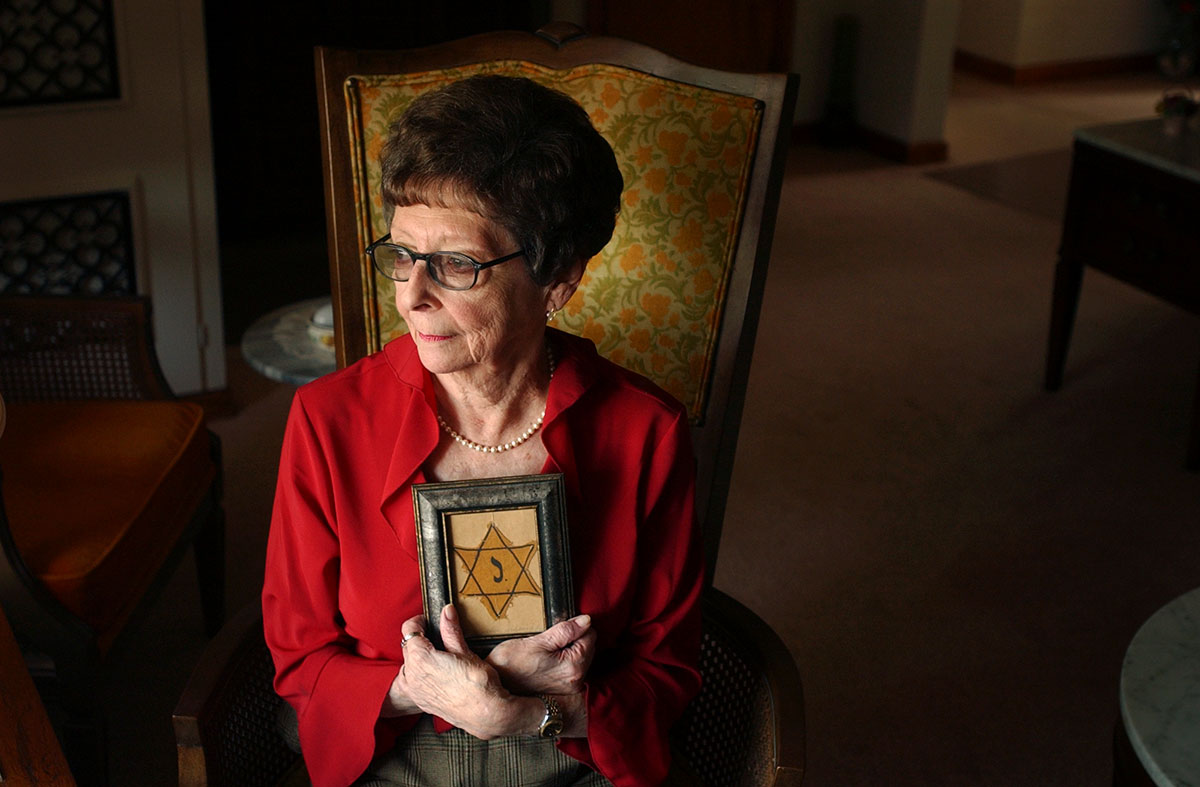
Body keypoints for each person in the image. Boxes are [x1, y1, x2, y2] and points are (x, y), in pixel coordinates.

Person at [262, 74, 703, 787]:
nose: (410, 295)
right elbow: (298, 662)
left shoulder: (646, 429)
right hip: (390, 752)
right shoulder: (328, 419)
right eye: (402, 254)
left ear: (557, 278)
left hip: (573, 754)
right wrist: (424, 688)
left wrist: (525, 714)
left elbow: (669, 670)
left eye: (456, 264)